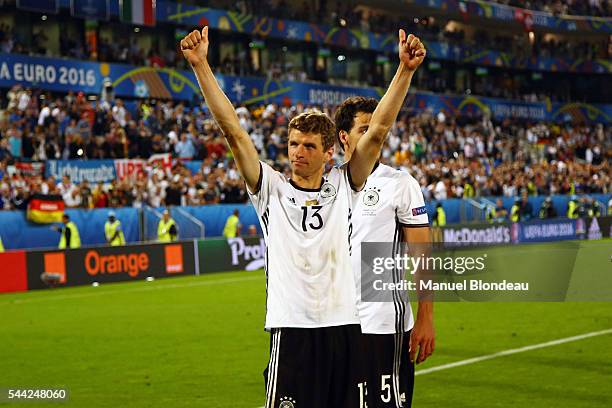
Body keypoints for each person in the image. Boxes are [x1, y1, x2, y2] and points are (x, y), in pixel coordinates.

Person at [181, 25, 425, 407]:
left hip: (346, 330)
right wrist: (200, 66)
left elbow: (376, 132)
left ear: (330, 152)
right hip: (293, 330)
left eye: (309, 146)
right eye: (293, 143)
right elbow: (233, 131)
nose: (298, 152)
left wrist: (405, 71)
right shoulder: (270, 188)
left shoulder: (345, 186)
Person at [335, 96, 434, 407]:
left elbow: (423, 256)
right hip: (335, 328)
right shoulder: (327, 185)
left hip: (384, 326)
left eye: (378, 128)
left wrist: (425, 318)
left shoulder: (400, 184)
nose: (375, 135)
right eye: (365, 129)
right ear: (343, 136)